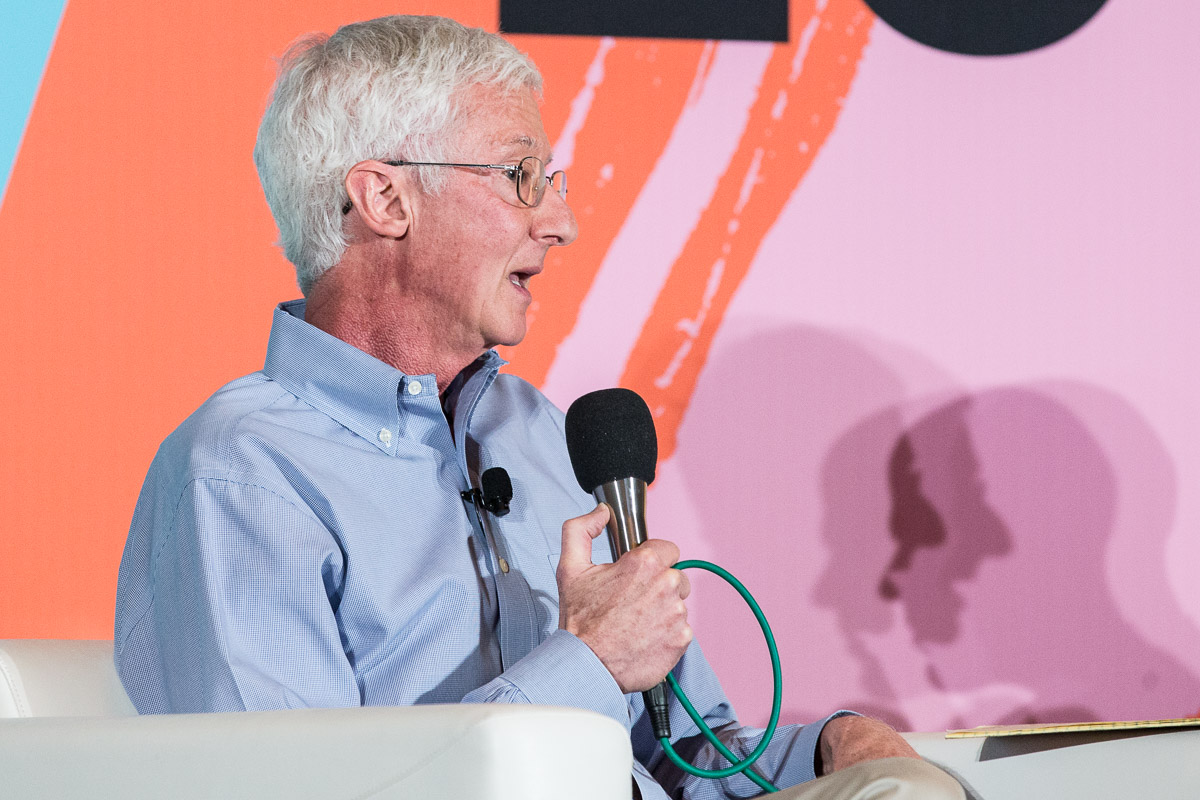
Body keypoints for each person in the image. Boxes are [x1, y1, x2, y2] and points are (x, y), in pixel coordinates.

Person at [114, 15, 963, 799]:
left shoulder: (535, 429)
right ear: (385, 200)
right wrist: (585, 661)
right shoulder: (241, 474)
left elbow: (688, 756)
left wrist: (834, 748)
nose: (562, 222)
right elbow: (298, 793)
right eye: (520, 176)